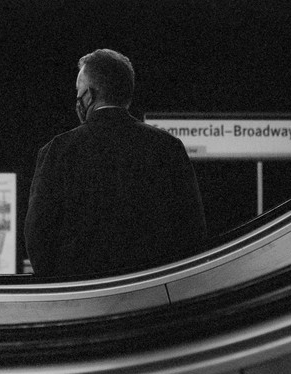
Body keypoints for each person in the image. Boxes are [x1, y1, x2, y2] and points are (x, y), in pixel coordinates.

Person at [25, 49, 206, 279]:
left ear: (89, 95)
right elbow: (193, 232)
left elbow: (38, 238)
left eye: (79, 92)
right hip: (152, 294)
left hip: (82, 297)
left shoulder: (58, 151)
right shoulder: (168, 148)